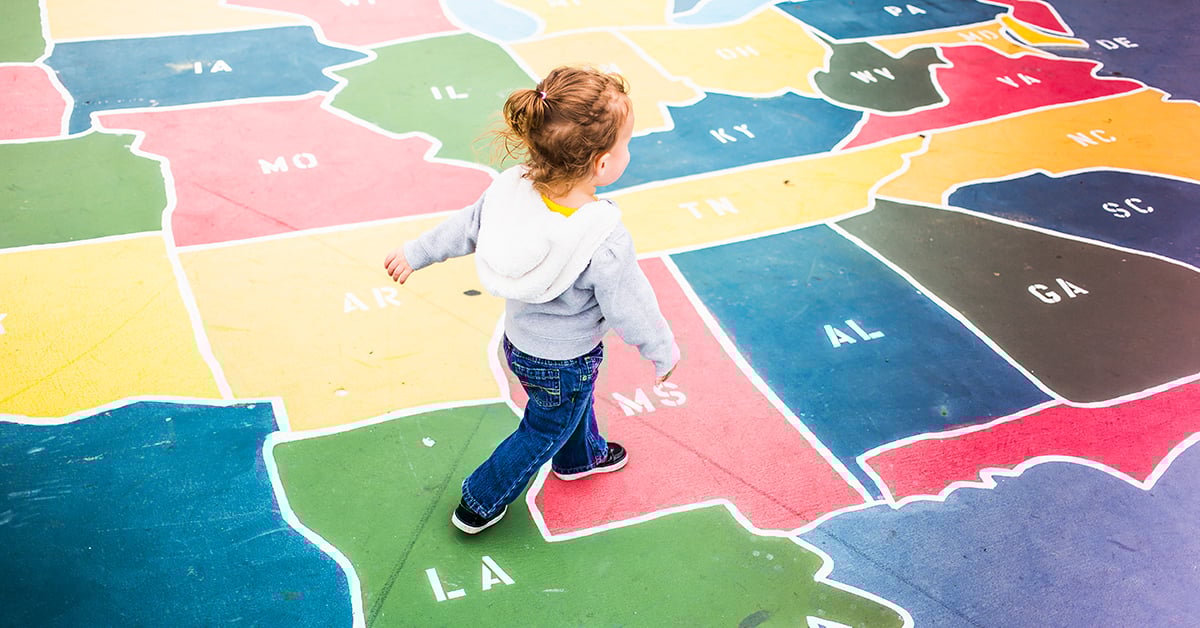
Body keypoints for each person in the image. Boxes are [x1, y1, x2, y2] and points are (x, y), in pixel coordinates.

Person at [384, 65, 679, 535]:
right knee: (545, 426)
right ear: (603, 164)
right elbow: (631, 304)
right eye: (626, 143)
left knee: (563, 406)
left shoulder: (510, 190)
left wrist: (414, 252)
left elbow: (464, 227)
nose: (628, 150)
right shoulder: (601, 236)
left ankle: (582, 458)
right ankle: (481, 499)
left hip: (519, 344)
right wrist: (660, 349)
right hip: (566, 357)